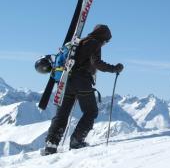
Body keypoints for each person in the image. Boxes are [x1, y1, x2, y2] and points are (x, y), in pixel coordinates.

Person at [44, 24, 124, 154]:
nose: (105, 43)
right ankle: (76, 140)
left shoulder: (79, 42)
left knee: (62, 114)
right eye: (107, 40)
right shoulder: (94, 43)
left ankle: (51, 144)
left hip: (65, 81)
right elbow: (96, 63)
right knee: (91, 111)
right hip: (81, 81)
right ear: (103, 36)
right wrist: (114, 68)